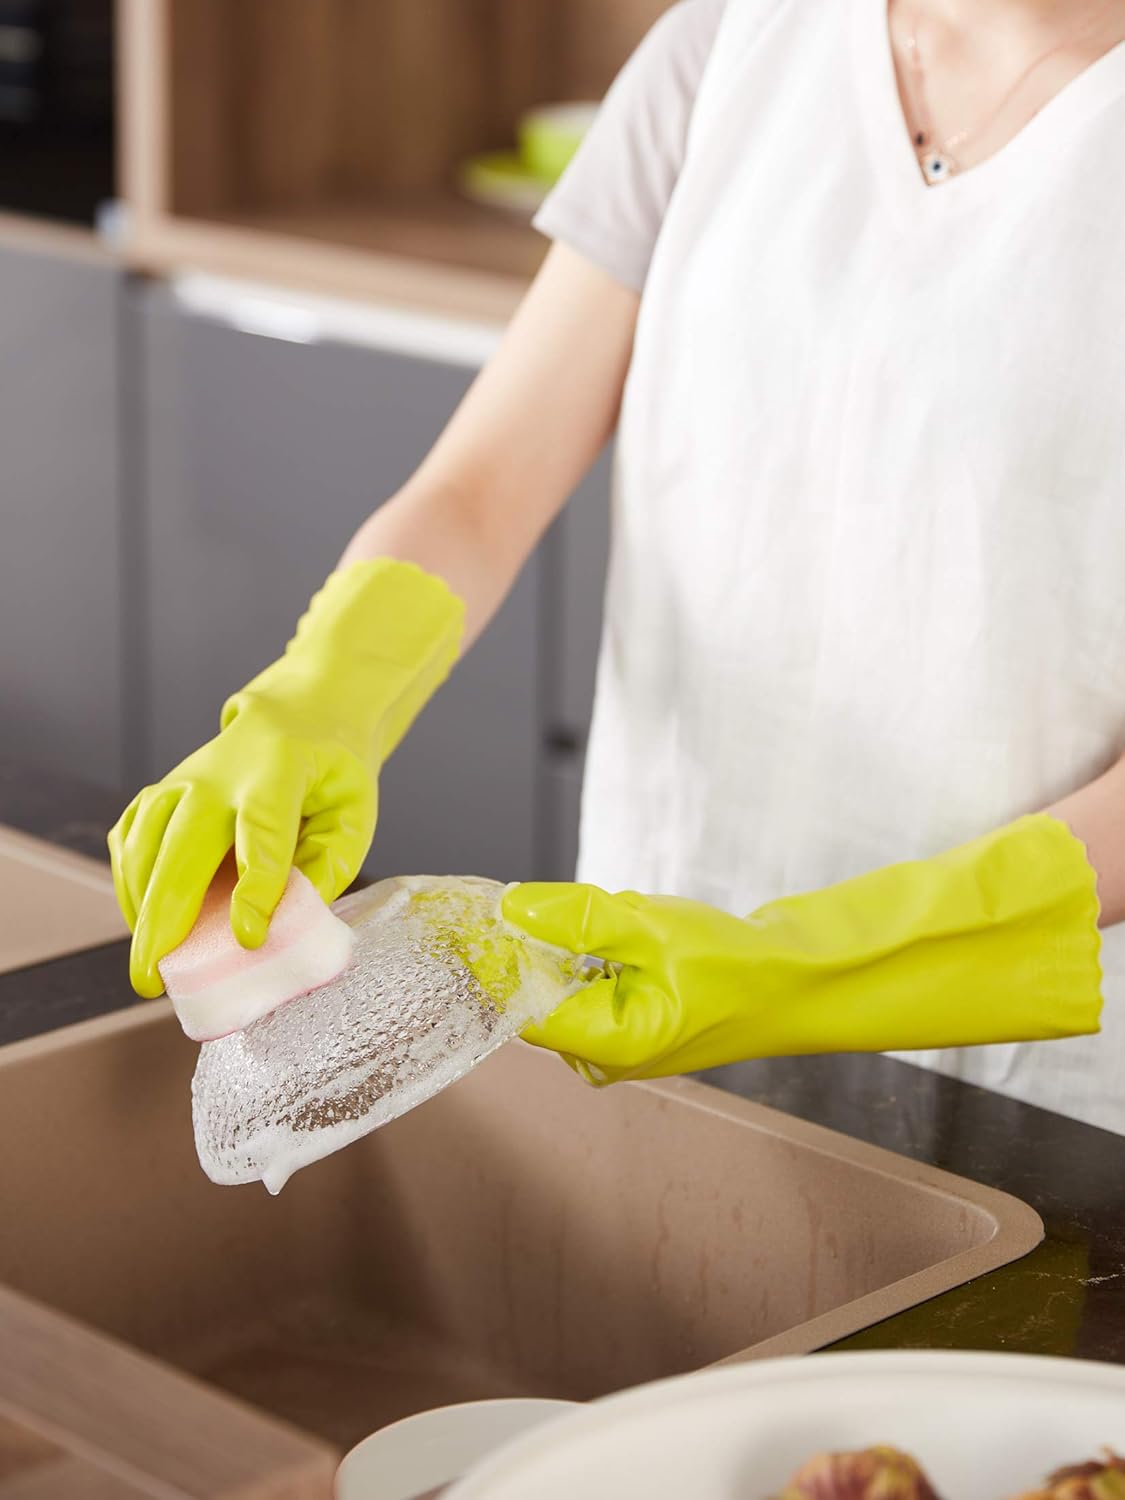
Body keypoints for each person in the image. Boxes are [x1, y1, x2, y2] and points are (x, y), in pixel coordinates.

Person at [109, 0, 1125, 1131]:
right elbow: (481, 487)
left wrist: (802, 962)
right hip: (646, 975)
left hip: (1026, 1072)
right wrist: (318, 698)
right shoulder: (733, 42)